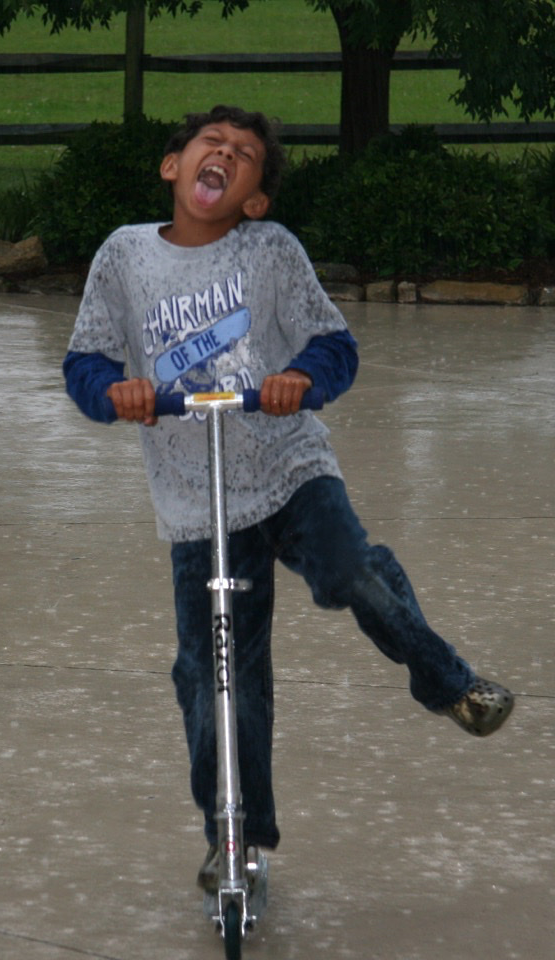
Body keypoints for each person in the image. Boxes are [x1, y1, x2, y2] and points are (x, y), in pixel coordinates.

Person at [62, 104, 514, 892]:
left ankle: (446, 678)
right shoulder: (125, 256)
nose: (225, 156)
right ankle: (234, 838)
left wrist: (299, 378)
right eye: (212, 144)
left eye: (243, 156)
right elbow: (86, 361)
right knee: (216, 678)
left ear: (255, 198)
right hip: (196, 502)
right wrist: (116, 392)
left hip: (289, 469)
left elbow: (333, 343)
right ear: (174, 166)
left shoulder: (270, 251)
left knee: (348, 574)